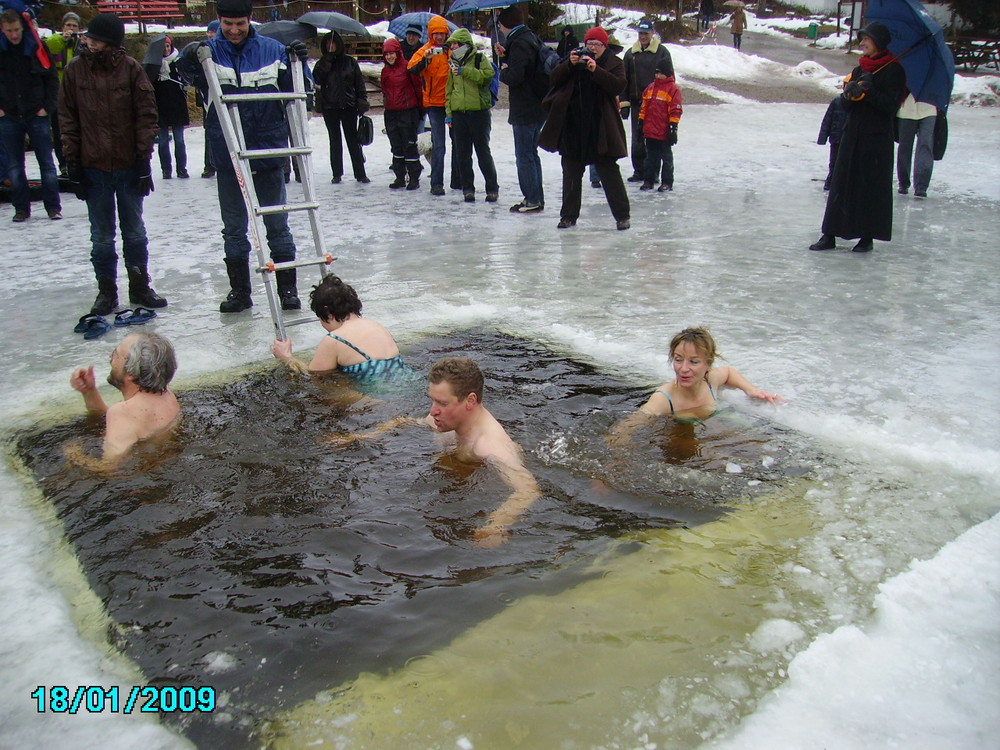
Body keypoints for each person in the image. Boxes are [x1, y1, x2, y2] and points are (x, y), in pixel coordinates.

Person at [329, 357, 541, 547]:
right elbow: (403, 421)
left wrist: (496, 524)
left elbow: (528, 489)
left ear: (470, 401)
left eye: (442, 403)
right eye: (432, 400)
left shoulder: (489, 446)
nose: (432, 410)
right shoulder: (444, 420)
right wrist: (358, 438)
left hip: (474, 496)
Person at [183, 0, 304, 311]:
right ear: (219, 21)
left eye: (240, 23)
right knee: (234, 226)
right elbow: (183, 75)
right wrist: (188, 54)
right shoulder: (209, 51)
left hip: (267, 148)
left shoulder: (272, 49)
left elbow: (297, 90)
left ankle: (287, 290)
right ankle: (240, 292)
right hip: (228, 153)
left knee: (277, 223)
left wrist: (298, 63)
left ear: (251, 19)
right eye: (227, 24)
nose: (234, 30)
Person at [60, 12, 167, 316]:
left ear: (109, 43)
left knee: (134, 231)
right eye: (88, 37)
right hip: (93, 167)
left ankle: (140, 285)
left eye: (94, 38)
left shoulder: (131, 71)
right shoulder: (74, 71)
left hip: (127, 166)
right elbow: (67, 120)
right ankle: (106, 290)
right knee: (101, 236)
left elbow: (146, 117)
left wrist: (144, 161)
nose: (88, 41)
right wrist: (73, 164)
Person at [809, 22, 905, 254]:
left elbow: (890, 106)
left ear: (878, 41)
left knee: (869, 187)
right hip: (852, 135)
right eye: (861, 39)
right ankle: (829, 234)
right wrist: (849, 96)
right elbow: (847, 106)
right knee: (841, 184)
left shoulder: (894, 70)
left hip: (876, 139)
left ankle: (866, 237)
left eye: (866, 39)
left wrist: (869, 92)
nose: (861, 43)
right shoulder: (862, 69)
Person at [610, 327, 784, 448]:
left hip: (709, 429)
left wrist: (751, 389)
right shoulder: (664, 398)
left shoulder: (711, 380)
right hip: (678, 434)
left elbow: (729, 372)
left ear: (708, 364)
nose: (684, 369)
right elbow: (625, 429)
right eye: (678, 359)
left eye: (694, 362)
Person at [538, 26, 631, 231]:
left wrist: (595, 70)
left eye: (596, 45)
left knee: (608, 171)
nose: (592, 48)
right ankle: (568, 216)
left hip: (600, 127)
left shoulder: (614, 63)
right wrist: (569, 65)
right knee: (571, 172)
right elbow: (553, 79)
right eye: (589, 44)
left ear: (604, 46)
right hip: (573, 125)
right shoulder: (575, 59)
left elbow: (618, 85)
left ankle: (622, 215)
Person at [68, 331, 180, 468]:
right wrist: (89, 391)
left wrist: (74, 454)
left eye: (116, 354)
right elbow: (127, 423)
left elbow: (109, 468)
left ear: (132, 373)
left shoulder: (122, 412)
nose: (110, 357)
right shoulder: (167, 396)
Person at [271, 274, 413, 381]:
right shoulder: (377, 326)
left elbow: (312, 377)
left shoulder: (334, 340)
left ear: (328, 314)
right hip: (408, 382)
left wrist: (287, 357)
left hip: (376, 399)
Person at [0, 8, 61, 222]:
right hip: (9, 114)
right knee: (14, 166)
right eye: (9, 31)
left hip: (37, 111)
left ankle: (53, 207)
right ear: (2, 30)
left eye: (16, 30)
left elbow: (52, 78)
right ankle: (21, 209)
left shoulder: (36, 46)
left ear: (22, 27)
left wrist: (48, 107)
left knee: (46, 163)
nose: (14, 35)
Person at [495, 4, 545, 213]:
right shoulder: (528, 37)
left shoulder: (520, 43)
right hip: (536, 106)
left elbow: (516, 76)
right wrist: (505, 56)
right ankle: (536, 198)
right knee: (531, 154)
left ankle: (532, 199)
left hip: (526, 108)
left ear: (506, 24)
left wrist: (501, 69)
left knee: (524, 155)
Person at [445, 27, 498, 203]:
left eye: (455, 44)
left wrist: (464, 71)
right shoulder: (451, 62)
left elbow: (487, 76)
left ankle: (492, 188)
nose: (452, 47)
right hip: (459, 113)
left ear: (464, 44)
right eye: (451, 44)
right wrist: (449, 113)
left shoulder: (479, 58)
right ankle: (468, 188)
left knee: (483, 151)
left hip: (479, 112)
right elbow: (449, 90)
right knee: (462, 153)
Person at [312, 30, 369, 184]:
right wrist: (327, 61)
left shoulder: (350, 62)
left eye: (333, 43)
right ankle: (337, 173)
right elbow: (317, 79)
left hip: (348, 106)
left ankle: (360, 173)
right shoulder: (322, 63)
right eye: (328, 44)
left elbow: (359, 83)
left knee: (353, 140)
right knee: (334, 141)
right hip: (330, 107)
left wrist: (362, 100)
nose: (331, 46)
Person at [621, 19, 672, 183]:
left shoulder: (662, 52)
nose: (643, 36)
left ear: (652, 33)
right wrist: (624, 103)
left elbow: (669, 79)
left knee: (653, 139)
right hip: (637, 103)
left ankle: (652, 173)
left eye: (646, 33)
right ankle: (639, 171)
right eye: (641, 33)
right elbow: (623, 80)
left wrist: (667, 103)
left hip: (656, 104)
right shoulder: (630, 54)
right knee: (637, 138)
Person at [407, 15, 451, 196]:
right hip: (434, 104)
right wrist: (426, 59)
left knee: (460, 144)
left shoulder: (452, 50)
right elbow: (411, 68)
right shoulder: (426, 50)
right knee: (439, 145)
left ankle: (459, 180)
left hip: (453, 102)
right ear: (431, 34)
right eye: (436, 33)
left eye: (442, 33)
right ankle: (437, 183)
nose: (440, 37)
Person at [380, 36, 423, 189]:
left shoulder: (408, 67)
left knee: (409, 145)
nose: (389, 57)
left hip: (407, 112)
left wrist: (420, 109)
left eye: (391, 53)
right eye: (386, 54)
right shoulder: (385, 71)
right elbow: (384, 90)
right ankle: (399, 176)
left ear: (398, 53)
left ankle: (414, 178)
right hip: (391, 112)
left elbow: (418, 87)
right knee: (396, 146)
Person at [44, 11, 82, 175]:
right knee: (60, 132)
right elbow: (48, 46)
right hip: (58, 94)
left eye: (74, 26)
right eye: (68, 25)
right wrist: (63, 38)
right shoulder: (55, 42)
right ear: (62, 27)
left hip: (77, 95)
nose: (71, 29)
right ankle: (64, 164)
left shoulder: (82, 44)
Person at [146, 35, 189, 179]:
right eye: (163, 47)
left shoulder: (178, 62)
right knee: (163, 141)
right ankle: (166, 169)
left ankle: (182, 168)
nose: (166, 49)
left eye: (168, 46)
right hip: (161, 106)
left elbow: (186, 79)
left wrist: (184, 83)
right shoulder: (154, 67)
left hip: (177, 105)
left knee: (179, 140)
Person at [637, 57, 682, 192]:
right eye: (656, 73)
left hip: (664, 131)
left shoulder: (673, 89)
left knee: (666, 158)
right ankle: (648, 180)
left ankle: (667, 181)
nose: (658, 75)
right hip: (650, 130)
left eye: (661, 73)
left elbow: (676, 110)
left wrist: (673, 128)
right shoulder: (650, 88)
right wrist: (641, 122)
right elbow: (644, 107)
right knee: (650, 158)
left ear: (668, 74)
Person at [896, 93, 937, 197]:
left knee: (925, 145)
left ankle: (921, 186)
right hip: (906, 109)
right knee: (905, 147)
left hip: (929, 108)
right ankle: (903, 182)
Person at [199, 20, 220, 178]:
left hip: (223, 96)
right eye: (209, 31)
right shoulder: (203, 49)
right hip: (208, 98)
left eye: (213, 31)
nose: (210, 34)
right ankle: (209, 164)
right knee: (210, 133)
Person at [817, 95, 846, 191]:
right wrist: (822, 138)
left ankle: (836, 182)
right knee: (834, 163)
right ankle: (831, 182)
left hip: (842, 139)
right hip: (836, 139)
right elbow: (827, 120)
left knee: (840, 163)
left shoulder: (854, 103)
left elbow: (827, 120)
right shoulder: (837, 102)